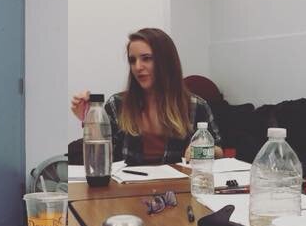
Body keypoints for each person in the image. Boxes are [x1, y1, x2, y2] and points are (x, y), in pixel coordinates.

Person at [70, 28, 224, 165]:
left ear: (166, 61)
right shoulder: (117, 105)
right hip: (126, 192)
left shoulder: (196, 106)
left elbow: (220, 151)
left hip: (179, 189)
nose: (137, 67)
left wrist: (205, 150)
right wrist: (88, 118)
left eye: (146, 58)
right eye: (132, 60)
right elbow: (98, 158)